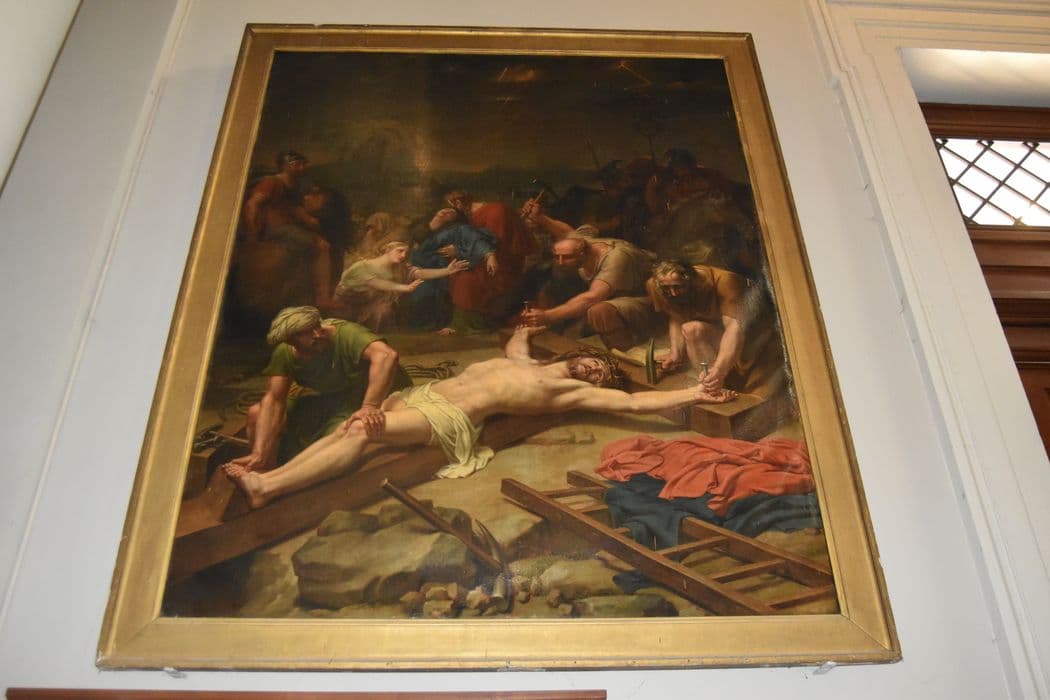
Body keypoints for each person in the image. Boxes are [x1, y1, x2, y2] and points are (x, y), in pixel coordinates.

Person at [224, 325, 736, 508]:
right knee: (349, 428)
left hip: (449, 417)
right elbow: (516, 343)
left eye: (599, 373)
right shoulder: (528, 364)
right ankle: (272, 476)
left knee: (361, 430)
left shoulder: (569, 393)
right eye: (592, 362)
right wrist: (526, 328)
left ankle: (268, 487)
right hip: (421, 397)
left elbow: (634, 403)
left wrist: (695, 392)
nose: (592, 369)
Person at [222, 306, 411, 473]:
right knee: (257, 413)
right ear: (290, 341)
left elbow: (386, 356)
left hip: (377, 393)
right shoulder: (285, 354)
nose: (318, 334)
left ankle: (294, 476)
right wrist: (259, 451)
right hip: (337, 397)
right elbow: (274, 400)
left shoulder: (346, 333)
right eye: (307, 333)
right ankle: (262, 469)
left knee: (343, 433)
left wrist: (369, 406)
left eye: (317, 327)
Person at [648, 259, 785, 397]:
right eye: (667, 289)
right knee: (690, 330)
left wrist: (720, 369)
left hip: (750, 340)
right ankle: (712, 386)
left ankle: (717, 379)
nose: (673, 293)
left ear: (691, 280)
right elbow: (676, 315)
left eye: (677, 287)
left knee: (694, 330)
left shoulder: (726, 282)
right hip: (719, 338)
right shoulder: (657, 286)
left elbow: (735, 329)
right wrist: (675, 352)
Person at [521, 232, 657, 351]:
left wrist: (547, 316)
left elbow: (592, 297)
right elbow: (564, 230)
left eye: (567, 257)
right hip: (612, 298)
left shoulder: (616, 258)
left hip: (648, 302)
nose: (560, 262)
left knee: (598, 311)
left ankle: (626, 356)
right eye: (557, 256)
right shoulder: (583, 242)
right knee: (569, 337)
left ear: (582, 253)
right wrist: (541, 217)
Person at [241, 151, 334, 305]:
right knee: (322, 246)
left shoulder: (292, 186)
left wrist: (313, 222)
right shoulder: (272, 182)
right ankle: (323, 298)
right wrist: (252, 233)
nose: (302, 167)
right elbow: (252, 205)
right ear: (285, 165)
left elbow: (295, 210)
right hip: (275, 230)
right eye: (297, 164)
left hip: (287, 229)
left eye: (303, 164)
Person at [440, 189, 537, 333]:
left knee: (465, 279)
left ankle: (468, 326)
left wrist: (459, 251)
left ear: (458, 203)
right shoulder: (473, 216)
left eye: (450, 210)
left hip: (502, 266)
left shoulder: (495, 212)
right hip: (483, 260)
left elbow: (496, 246)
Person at [333, 240, 469, 332]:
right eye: (400, 251)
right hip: (348, 306)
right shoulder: (363, 266)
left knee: (384, 311)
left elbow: (420, 273)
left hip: (371, 307)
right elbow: (377, 283)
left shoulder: (399, 268)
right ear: (388, 250)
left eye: (405, 252)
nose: (403, 255)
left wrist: (446, 271)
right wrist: (405, 288)